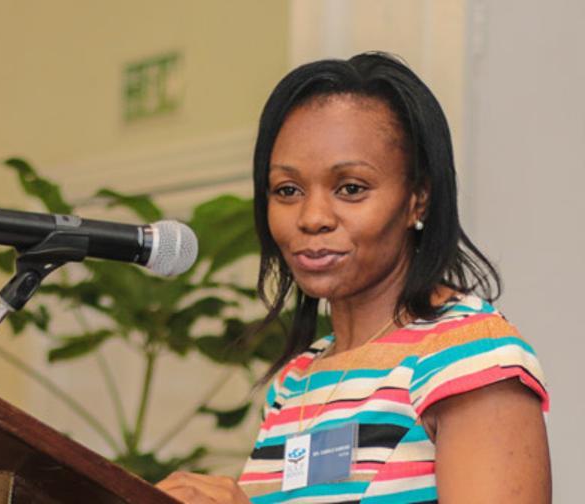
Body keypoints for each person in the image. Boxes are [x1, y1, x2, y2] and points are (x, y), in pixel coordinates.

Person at [156, 53, 550, 503]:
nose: (312, 217)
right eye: (288, 190)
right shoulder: (295, 382)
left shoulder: (470, 358)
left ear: (418, 198)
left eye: (351, 189)